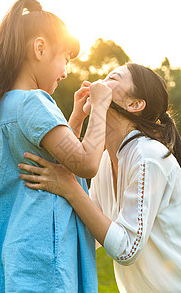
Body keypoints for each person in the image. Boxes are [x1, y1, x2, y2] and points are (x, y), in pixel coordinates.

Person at [0, 0, 113, 292]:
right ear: (39, 49)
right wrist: (101, 106)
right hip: (42, 263)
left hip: (15, 259)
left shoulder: (5, 105)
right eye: (65, 58)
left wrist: (75, 120)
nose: (66, 71)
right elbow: (88, 163)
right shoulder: (34, 102)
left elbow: (52, 157)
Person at [19, 63, 181, 293]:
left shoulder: (149, 157)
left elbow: (127, 249)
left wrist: (71, 188)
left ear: (134, 104)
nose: (99, 83)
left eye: (112, 78)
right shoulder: (106, 161)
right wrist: (76, 118)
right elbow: (88, 232)